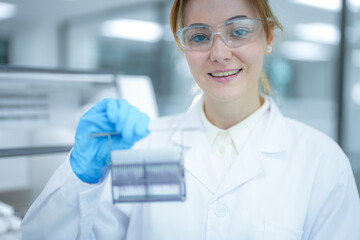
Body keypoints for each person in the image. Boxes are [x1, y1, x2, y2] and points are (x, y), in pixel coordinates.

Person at [21, 0, 360, 239]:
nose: (219, 52)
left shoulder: (322, 163)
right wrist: (80, 178)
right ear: (184, 47)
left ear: (268, 38)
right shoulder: (144, 146)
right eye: (199, 36)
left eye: (239, 31)